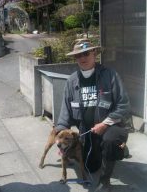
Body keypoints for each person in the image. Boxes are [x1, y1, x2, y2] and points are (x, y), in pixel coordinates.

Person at [56, 39, 131, 192]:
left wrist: (105, 124)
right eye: (78, 56)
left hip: (110, 126)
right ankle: (104, 152)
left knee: (110, 142)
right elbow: (65, 111)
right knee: (91, 165)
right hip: (87, 132)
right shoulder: (71, 81)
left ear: (94, 53)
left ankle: (105, 181)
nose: (82, 58)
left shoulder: (110, 75)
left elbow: (124, 104)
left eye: (86, 53)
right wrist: (60, 132)